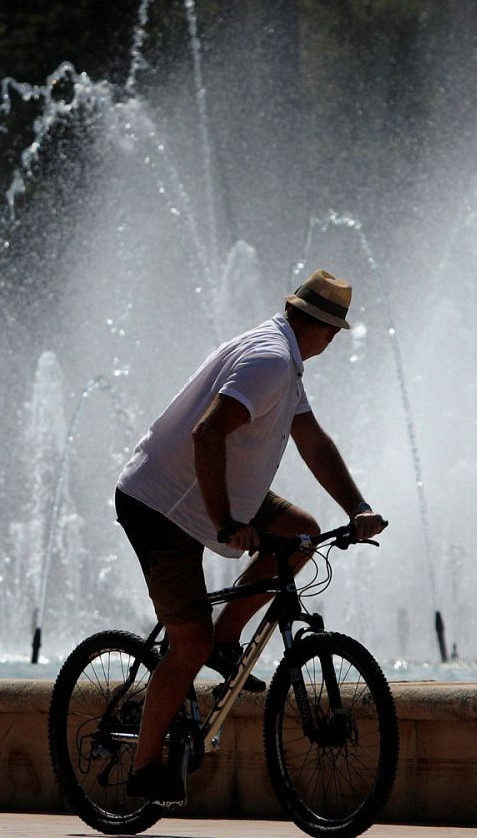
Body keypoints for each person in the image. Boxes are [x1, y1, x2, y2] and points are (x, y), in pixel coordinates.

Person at [113, 269, 388, 801]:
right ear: (317, 327)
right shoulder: (269, 362)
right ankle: (145, 768)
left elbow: (312, 441)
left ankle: (224, 637)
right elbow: (207, 432)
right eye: (333, 332)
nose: (333, 342)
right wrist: (224, 523)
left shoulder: (285, 364)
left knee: (303, 534)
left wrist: (358, 506)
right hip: (161, 501)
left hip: (207, 489)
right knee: (186, 642)